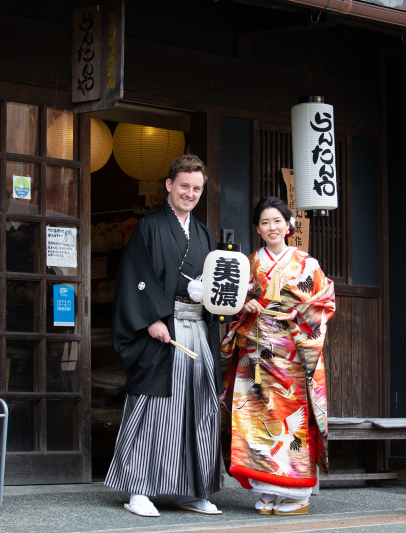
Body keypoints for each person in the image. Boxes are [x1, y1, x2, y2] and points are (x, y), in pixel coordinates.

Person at [105, 154, 223, 517]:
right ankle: (140, 488)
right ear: (169, 186)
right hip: (162, 330)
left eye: (197, 188)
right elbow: (135, 276)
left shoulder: (203, 233)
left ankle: (192, 488)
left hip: (197, 329)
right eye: (184, 186)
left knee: (199, 406)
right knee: (154, 408)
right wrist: (151, 319)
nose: (190, 193)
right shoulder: (149, 227)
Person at [219, 196, 335, 516]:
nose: (272, 227)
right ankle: (267, 490)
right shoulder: (248, 263)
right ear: (257, 229)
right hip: (254, 356)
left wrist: (297, 313)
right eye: (265, 222)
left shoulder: (306, 263)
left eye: (277, 221)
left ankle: (296, 494)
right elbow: (230, 304)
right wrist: (245, 306)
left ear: (289, 225)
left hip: (290, 358)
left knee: (289, 426)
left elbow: (325, 303)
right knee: (252, 423)